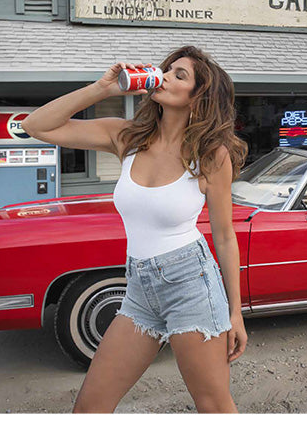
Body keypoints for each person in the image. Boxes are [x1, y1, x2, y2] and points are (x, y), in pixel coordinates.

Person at [21, 46, 249, 413]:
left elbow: (224, 235)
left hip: (192, 284)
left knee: (213, 406)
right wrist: (102, 89)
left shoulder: (211, 154)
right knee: (90, 408)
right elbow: (36, 126)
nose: (165, 76)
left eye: (180, 75)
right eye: (167, 69)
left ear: (198, 97)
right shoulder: (127, 137)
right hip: (139, 289)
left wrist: (235, 313)